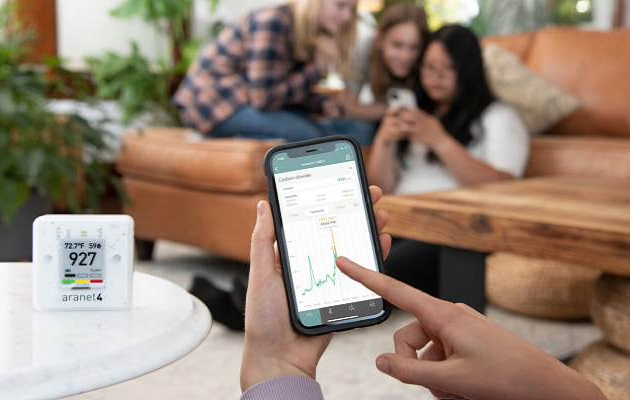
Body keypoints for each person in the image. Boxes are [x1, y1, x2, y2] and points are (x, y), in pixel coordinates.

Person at [239, 192, 607, 400]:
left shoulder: (491, 121)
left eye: (442, 68)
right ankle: (237, 299)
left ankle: (235, 301)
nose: (432, 76)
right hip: (411, 212)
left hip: (443, 220)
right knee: (381, 248)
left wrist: (274, 367)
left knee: (398, 252)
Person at [366, 24, 530, 295]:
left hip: (451, 231)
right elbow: (382, 187)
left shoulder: (498, 117)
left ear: (467, 70)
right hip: (401, 220)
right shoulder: (417, 113)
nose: (435, 76)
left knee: (381, 270)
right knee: (354, 257)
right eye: (429, 67)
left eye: (447, 67)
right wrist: (385, 139)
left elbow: (505, 186)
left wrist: (440, 141)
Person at [172, 0, 358, 143]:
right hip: (214, 106)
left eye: (352, 9)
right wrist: (316, 69)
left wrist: (321, 104)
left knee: (330, 135)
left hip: (248, 102)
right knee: (307, 134)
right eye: (340, 5)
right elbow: (265, 97)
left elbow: (283, 89)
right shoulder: (274, 21)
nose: (347, 16)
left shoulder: (309, 33)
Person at [321, 2, 429, 145]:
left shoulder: (426, 63)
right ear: (379, 39)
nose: (405, 56)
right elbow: (345, 107)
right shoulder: (364, 49)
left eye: (413, 47)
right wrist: (391, 110)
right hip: (381, 122)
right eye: (397, 45)